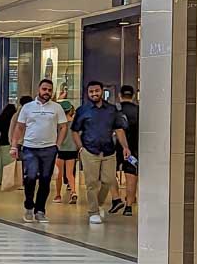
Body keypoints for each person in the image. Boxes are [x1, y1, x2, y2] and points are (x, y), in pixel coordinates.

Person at [71, 80, 130, 225]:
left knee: (108, 180)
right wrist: (80, 148)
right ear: (87, 93)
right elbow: (75, 131)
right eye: (91, 92)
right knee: (91, 183)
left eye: (96, 91)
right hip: (89, 150)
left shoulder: (111, 109)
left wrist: (125, 147)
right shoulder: (82, 110)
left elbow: (119, 129)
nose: (94, 94)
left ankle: (97, 204)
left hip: (109, 151)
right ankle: (93, 212)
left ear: (102, 91)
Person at [10, 78, 68, 223]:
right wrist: (14, 145)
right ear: (38, 90)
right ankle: (29, 206)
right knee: (30, 177)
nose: (47, 92)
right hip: (30, 148)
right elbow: (19, 127)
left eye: (49, 90)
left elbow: (63, 127)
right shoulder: (27, 107)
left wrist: (58, 145)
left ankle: (40, 210)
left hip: (49, 149)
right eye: (44, 89)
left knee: (45, 180)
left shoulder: (56, 108)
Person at [109, 85, 140, 217]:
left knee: (109, 173)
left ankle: (116, 198)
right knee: (131, 175)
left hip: (114, 146)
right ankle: (129, 206)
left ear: (119, 95)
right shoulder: (139, 110)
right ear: (133, 96)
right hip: (134, 148)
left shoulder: (114, 110)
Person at [53, 100, 80, 204]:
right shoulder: (75, 123)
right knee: (70, 174)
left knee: (59, 174)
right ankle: (73, 192)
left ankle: (58, 195)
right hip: (72, 150)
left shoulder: (58, 124)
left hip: (60, 150)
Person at [0, 103, 18, 186]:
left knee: (1, 163)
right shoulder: (16, 119)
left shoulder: (2, 118)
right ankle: (11, 180)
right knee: (11, 164)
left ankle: (0, 180)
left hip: (2, 143)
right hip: (14, 144)